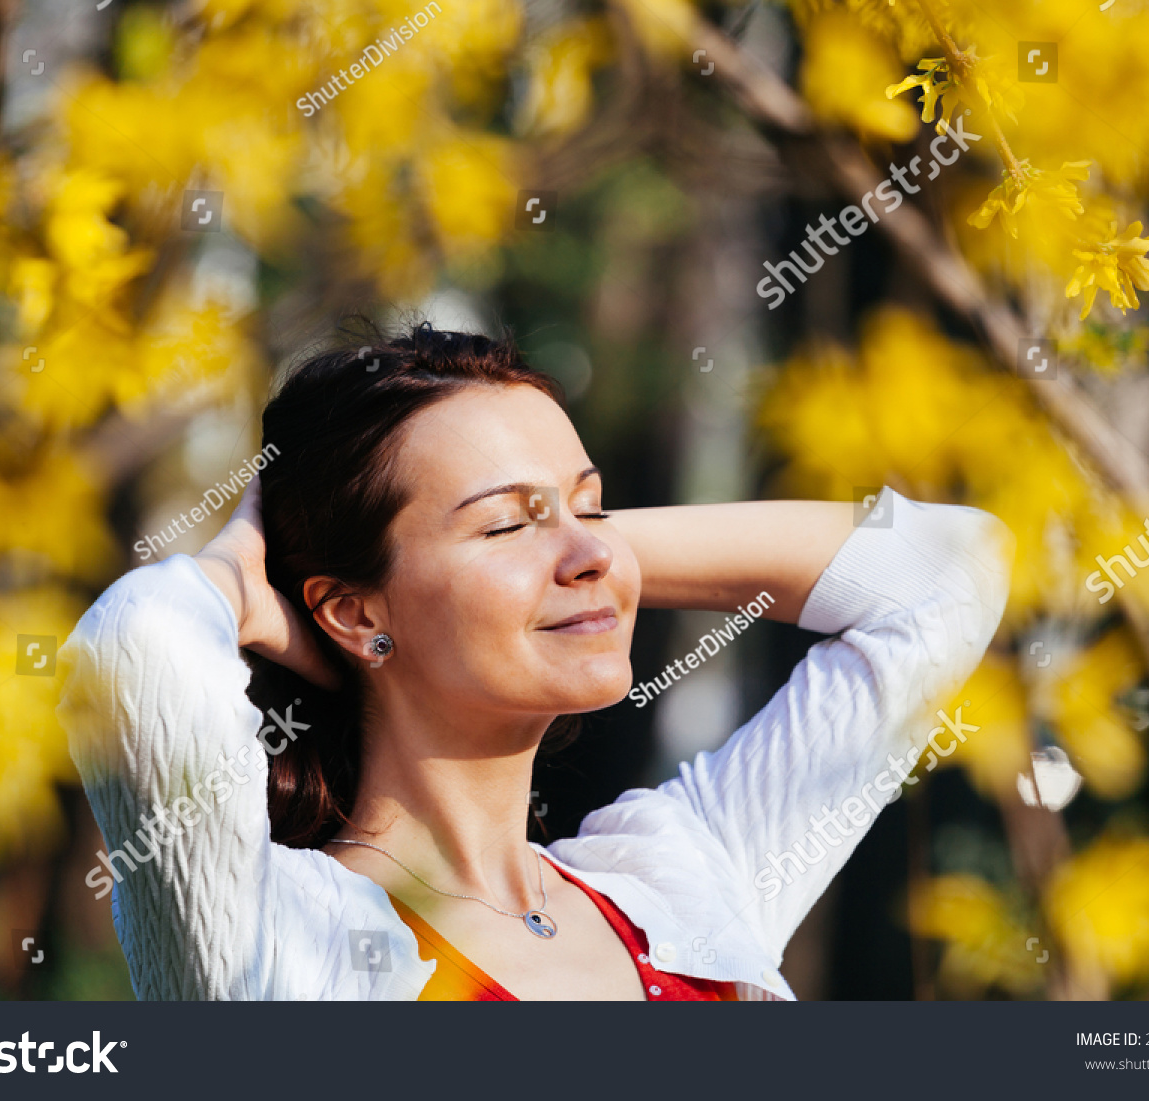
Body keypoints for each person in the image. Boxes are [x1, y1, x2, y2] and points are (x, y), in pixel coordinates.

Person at [58, 321, 1011, 1001]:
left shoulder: (679, 883)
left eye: (590, 504)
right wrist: (238, 575)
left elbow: (948, 573)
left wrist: (575, 550)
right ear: (350, 611)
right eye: (506, 522)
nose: (590, 549)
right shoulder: (275, 942)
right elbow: (135, 655)